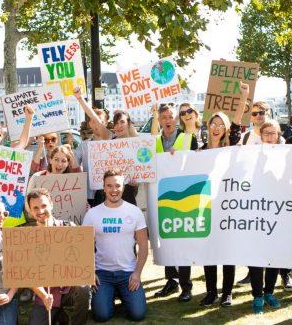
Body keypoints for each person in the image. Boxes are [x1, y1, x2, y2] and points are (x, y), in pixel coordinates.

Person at [197, 83, 248, 308]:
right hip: (206, 207)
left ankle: (227, 293)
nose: (216, 127)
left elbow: (237, 119)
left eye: (221, 124)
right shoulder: (199, 149)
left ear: (226, 129)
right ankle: (210, 292)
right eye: (213, 124)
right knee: (209, 252)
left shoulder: (232, 144)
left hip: (227, 206)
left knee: (226, 252)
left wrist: (244, 94)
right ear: (208, 127)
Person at [83, 169, 148, 322]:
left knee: (137, 315)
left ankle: (121, 294)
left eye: (117, 185)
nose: (114, 190)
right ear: (104, 188)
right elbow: (84, 247)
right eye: (109, 186)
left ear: (123, 187)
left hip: (128, 272)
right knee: (101, 316)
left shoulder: (134, 212)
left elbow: (144, 246)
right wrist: (91, 272)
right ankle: (109, 295)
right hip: (102, 274)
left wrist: (137, 273)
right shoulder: (92, 214)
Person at [150, 103, 197, 302]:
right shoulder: (155, 141)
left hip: (185, 196)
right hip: (163, 197)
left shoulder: (188, 138)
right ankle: (172, 281)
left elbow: (197, 161)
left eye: (171, 117)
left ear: (176, 119)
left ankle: (186, 286)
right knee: (166, 239)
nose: (168, 120)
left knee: (183, 240)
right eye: (164, 118)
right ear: (160, 121)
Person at [26, 188, 90, 325]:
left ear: (51, 205)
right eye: (35, 208)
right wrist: (43, 295)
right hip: (46, 293)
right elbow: (29, 274)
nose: (41, 211)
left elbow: (84, 259)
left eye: (44, 206)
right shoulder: (27, 238)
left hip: (70, 289)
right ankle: (59, 314)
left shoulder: (69, 227)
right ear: (30, 211)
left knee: (83, 287)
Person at [247, 118, 284, 314]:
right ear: (260, 136)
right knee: (255, 257)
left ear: (279, 136)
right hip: (255, 212)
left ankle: (269, 292)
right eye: (266, 133)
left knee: (274, 256)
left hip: (278, 212)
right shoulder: (251, 156)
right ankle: (258, 296)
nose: (270, 136)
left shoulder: (288, 155)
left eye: (273, 133)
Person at [71, 86, 113, 206]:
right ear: (89, 123)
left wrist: (80, 99)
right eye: (92, 121)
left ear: (105, 123)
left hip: (111, 192)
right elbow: (73, 166)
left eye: (99, 121)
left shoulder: (112, 140)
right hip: (91, 195)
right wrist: (69, 149)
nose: (95, 124)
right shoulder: (84, 145)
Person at [92, 110, 139, 207]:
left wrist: (136, 183)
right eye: (116, 123)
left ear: (129, 124)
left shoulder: (135, 143)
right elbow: (96, 120)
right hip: (110, 195)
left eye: (122, 122)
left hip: (129, 193)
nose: (119, 126)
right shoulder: (110, 140)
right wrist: (80, 98)